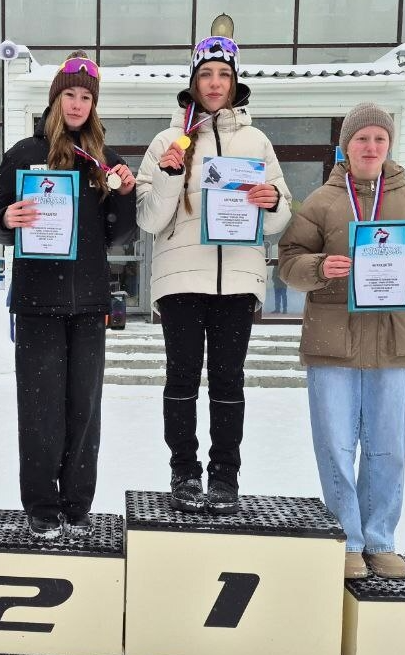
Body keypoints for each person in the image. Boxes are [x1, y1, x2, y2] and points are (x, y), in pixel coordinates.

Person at [278, 102, 405, 580]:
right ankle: (346, 538)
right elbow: (289, 261)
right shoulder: (321, 202)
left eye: (379, 139)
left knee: (387, 444)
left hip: (391, 339)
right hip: (333, 338)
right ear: (346, 146)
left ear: (388, 146)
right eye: (361, 139)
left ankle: (381, 539)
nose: (370, 147)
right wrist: (317, 268)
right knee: (334, 443)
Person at [135, 34, 292, 514]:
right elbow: (147, 219)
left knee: (228, 382)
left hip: (237, 282)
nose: (216, 82)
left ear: (235, 81)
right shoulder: (167, 140)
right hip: (182, 280)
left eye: (224, 74)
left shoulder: (256, 140)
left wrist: (272, 203)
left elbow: (280, 215)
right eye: (207, 74)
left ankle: (225, 475)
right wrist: (167, 174)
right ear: (194, 81)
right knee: (181, 379)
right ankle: (184, 473)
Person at [0, 52, 137, 539]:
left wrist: (126, 193)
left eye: (85, 97)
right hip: (36, 304)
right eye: (69, 94)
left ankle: (76, 504)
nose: (77, 103)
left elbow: (118, 234)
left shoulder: (106, 163)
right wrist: (6, 221)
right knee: (39, 408)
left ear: (94, 105)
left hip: (89, 304)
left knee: (83, 409)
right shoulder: (23, 154)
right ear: (56, 100)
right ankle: (41, 507)